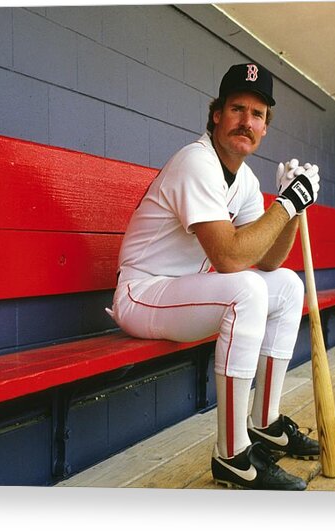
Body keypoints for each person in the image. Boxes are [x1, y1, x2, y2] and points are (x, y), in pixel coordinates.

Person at [107, 63, 321, 490]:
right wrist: (284, 205)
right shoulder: (196, 162)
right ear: (216, 115)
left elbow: (268, 261)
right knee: (245, 292)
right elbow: (227, 258)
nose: (247, 121)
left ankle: (265, 423)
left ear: (265, 128)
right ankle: (232, 455)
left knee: (286, 287)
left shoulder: (244, 179)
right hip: (143, 292)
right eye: (237, 108)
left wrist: (292, 209)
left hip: (185, 290)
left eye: (257, 114)